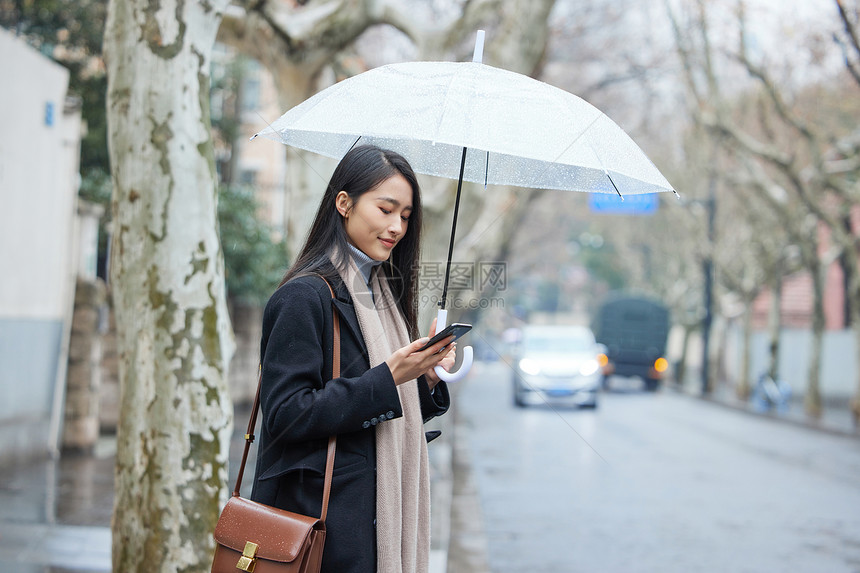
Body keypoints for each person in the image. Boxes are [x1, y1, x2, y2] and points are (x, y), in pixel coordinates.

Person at [250, 144, 456, 573]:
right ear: (344, 203)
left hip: (371, 520)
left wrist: (425, 378)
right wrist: (389, 377)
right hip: (320, 527)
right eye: (385, 209)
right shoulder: (304, 296)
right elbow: (286, 415)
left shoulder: (381, 294)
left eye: (405, 215)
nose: (397, 226)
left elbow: (372, 397)